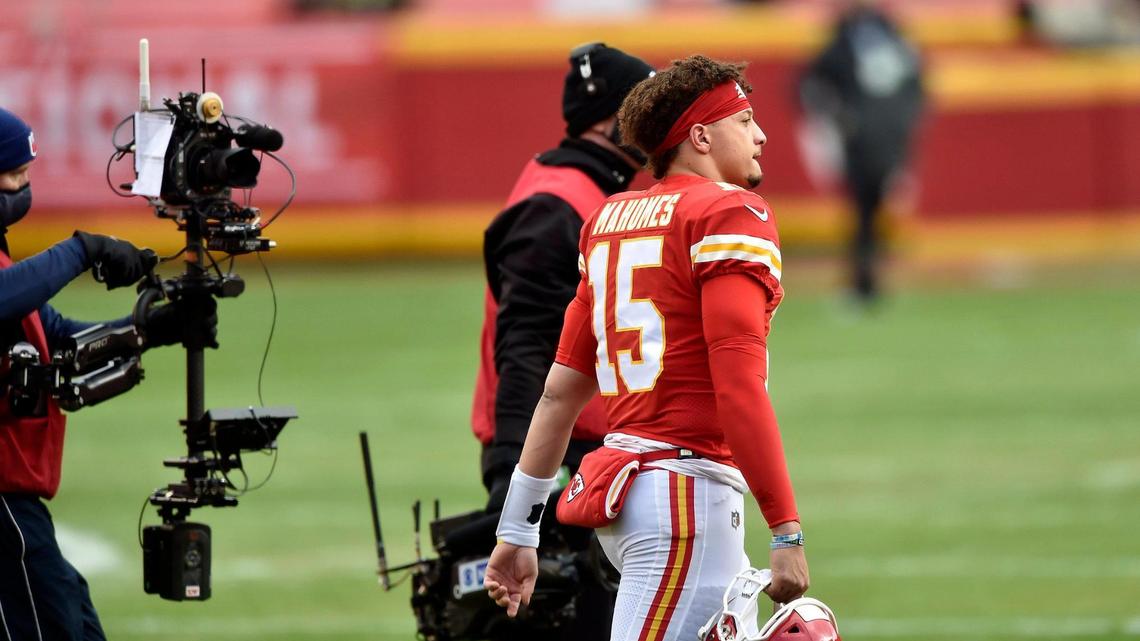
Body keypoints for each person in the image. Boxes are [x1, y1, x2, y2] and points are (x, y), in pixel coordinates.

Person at [484, 55, 810, 641]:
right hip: (683, 499)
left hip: (631, 494)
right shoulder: (729, 212)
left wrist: (518, 529)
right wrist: (786, 529)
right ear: (701, 136)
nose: (760, 135)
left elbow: (558, 393)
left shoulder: (609, 219)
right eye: (745, 120)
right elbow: (736, 385)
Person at [0, 107, 211, 641]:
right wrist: (81, 249)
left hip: (19, 503)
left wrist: (154, 328)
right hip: (2, 506)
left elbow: (57, 336)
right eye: (14, 176)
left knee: (77, 622)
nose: (24, 188)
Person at [469, 41, 654, 640]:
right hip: (563, 460)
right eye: (644, 108)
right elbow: (525, 348)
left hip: (588, 456)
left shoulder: (588, 189)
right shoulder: (557, 204)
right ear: (611, 118)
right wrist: (515, 492)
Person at [798, 0, 924, 306]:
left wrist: (837, 117)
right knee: (870, 210)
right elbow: (916, 86)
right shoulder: (892, 37)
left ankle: (865, 282)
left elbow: (809, 83)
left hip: (866, 135)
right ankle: (867, 280)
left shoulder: (850, 39)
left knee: (865, 210)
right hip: (888, 134)